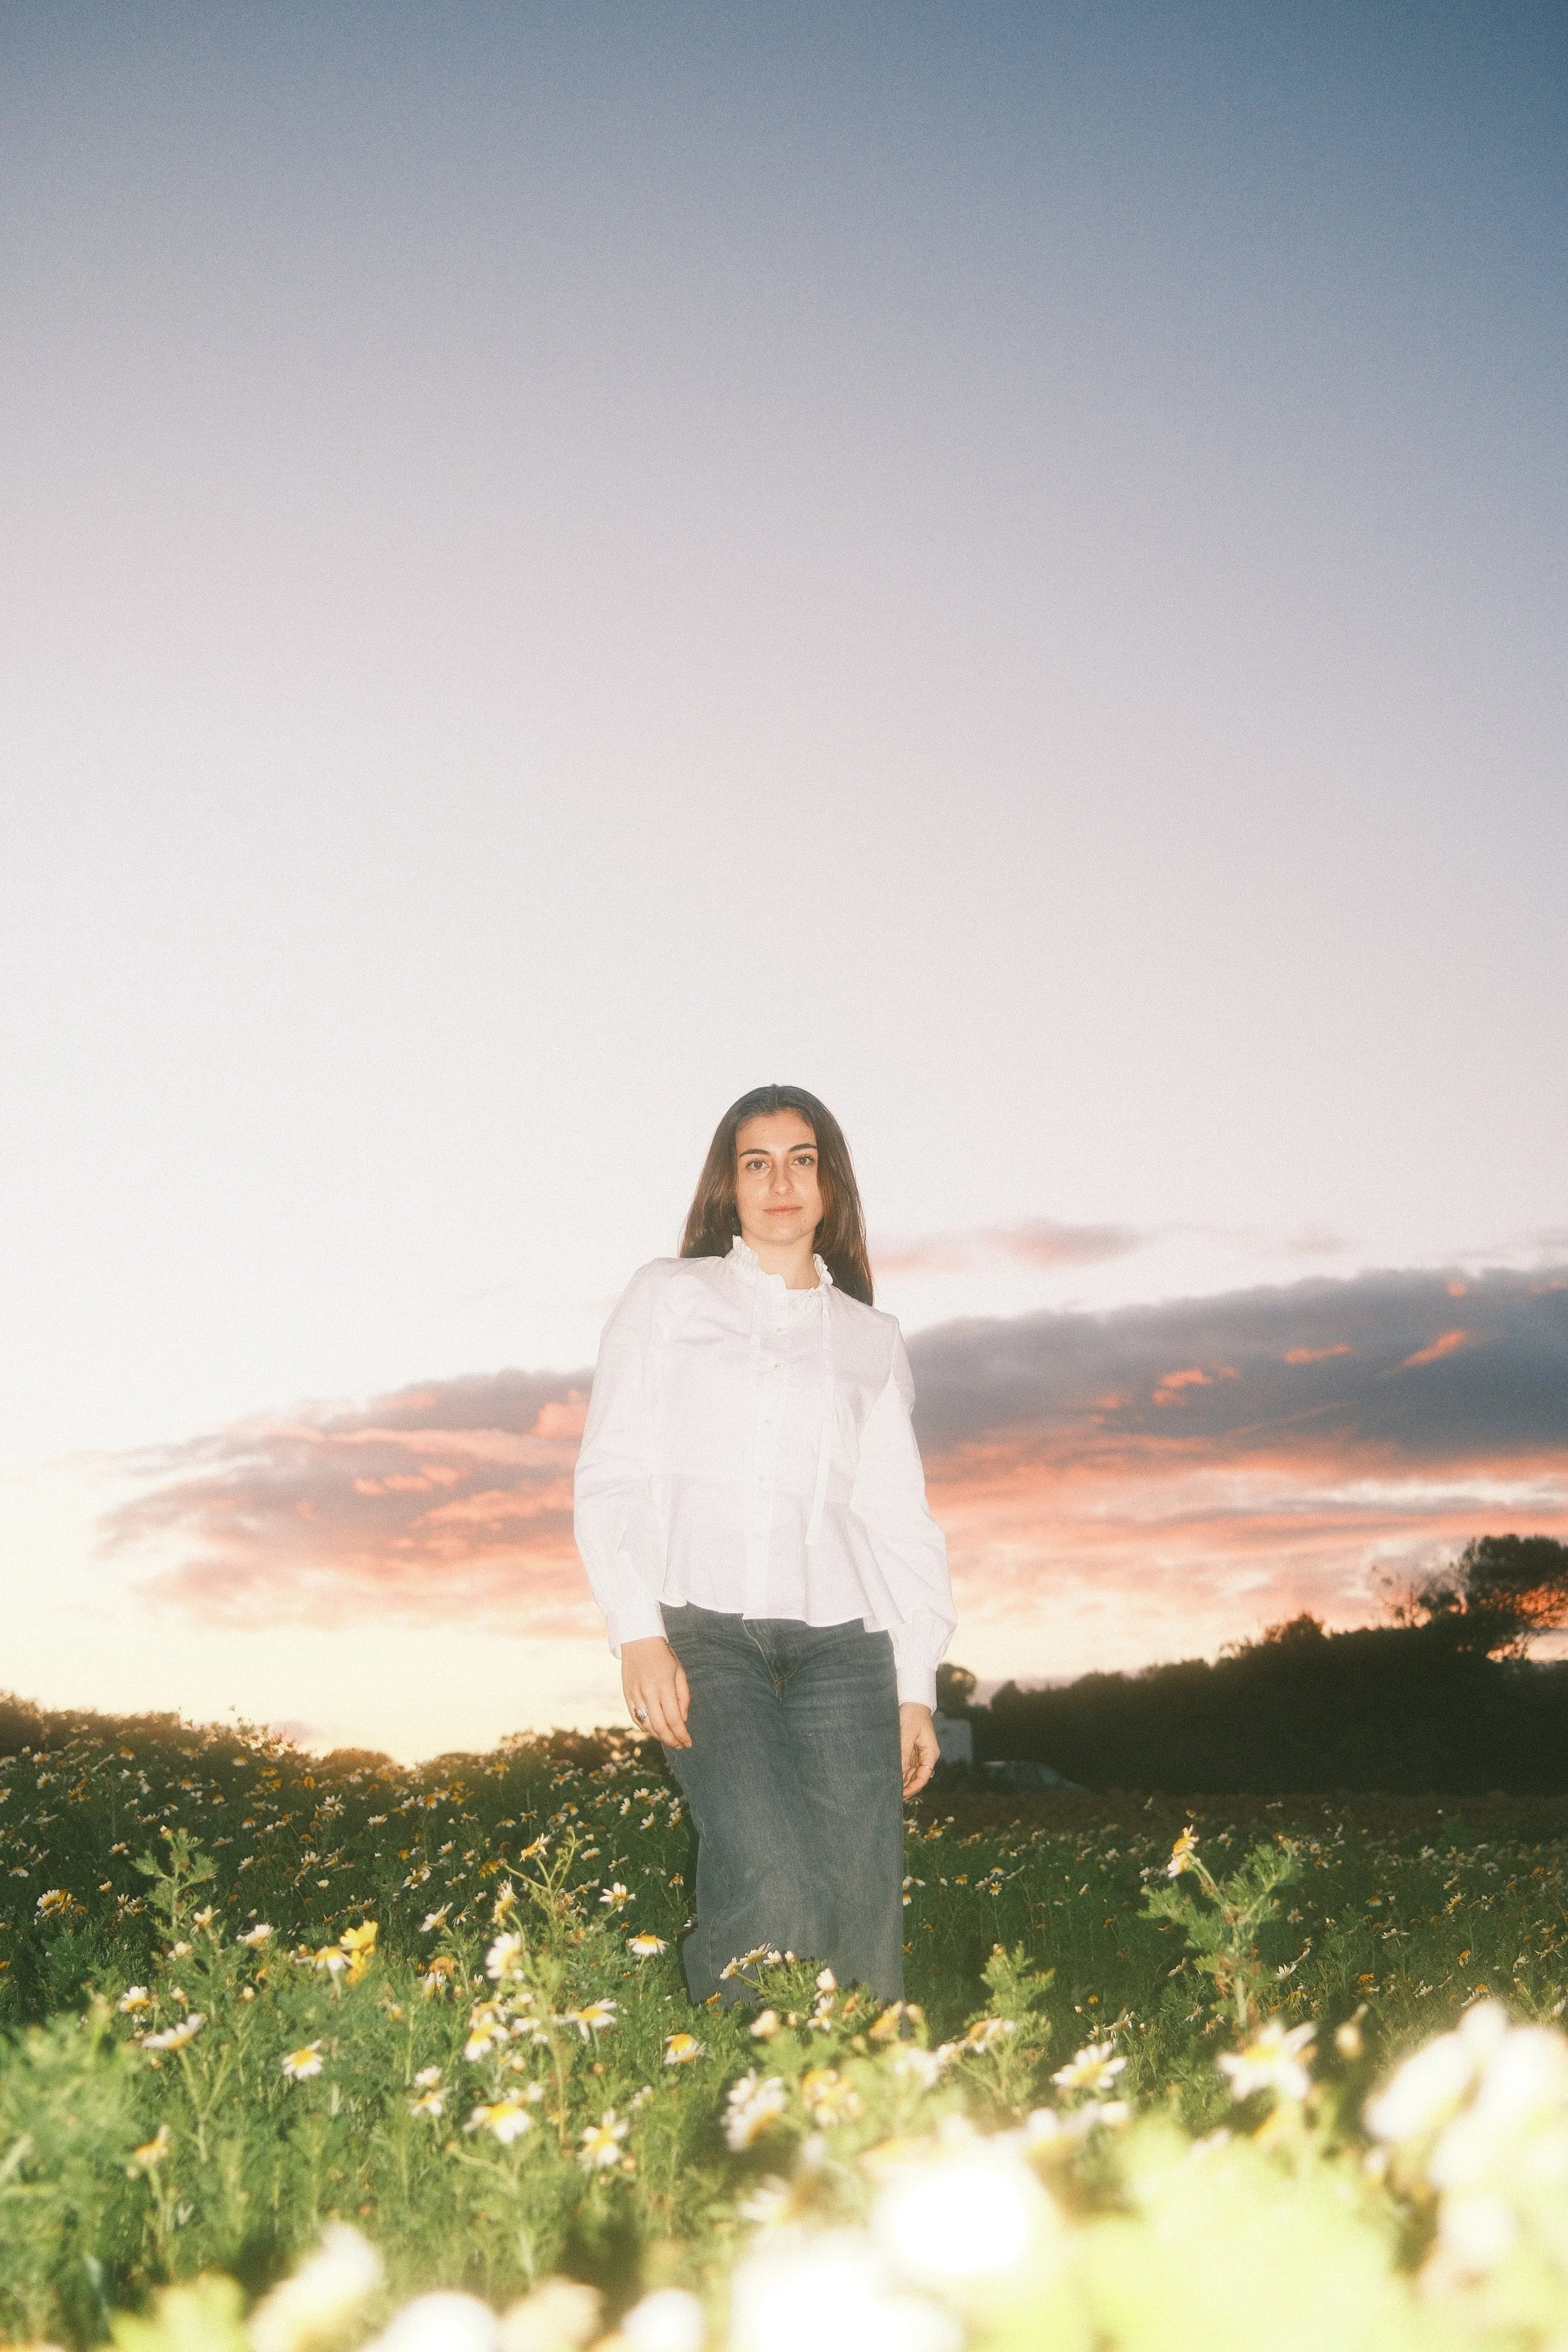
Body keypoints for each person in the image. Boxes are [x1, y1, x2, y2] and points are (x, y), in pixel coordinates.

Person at [573, 1084, 956, 2005]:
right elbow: (610, 1469)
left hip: (845, 1647)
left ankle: (851, 2130)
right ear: (729, 1185)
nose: (780, 1181)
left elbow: (899, 1519)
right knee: (775, 1884)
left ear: (830, 1185)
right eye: (757, 1162)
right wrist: (637, 1627)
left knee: (860, 1922)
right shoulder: (667, 1296)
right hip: (704, 1635)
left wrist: (916, 1686)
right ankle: (734, 2099)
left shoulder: (871, 1339)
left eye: (801, 1160)